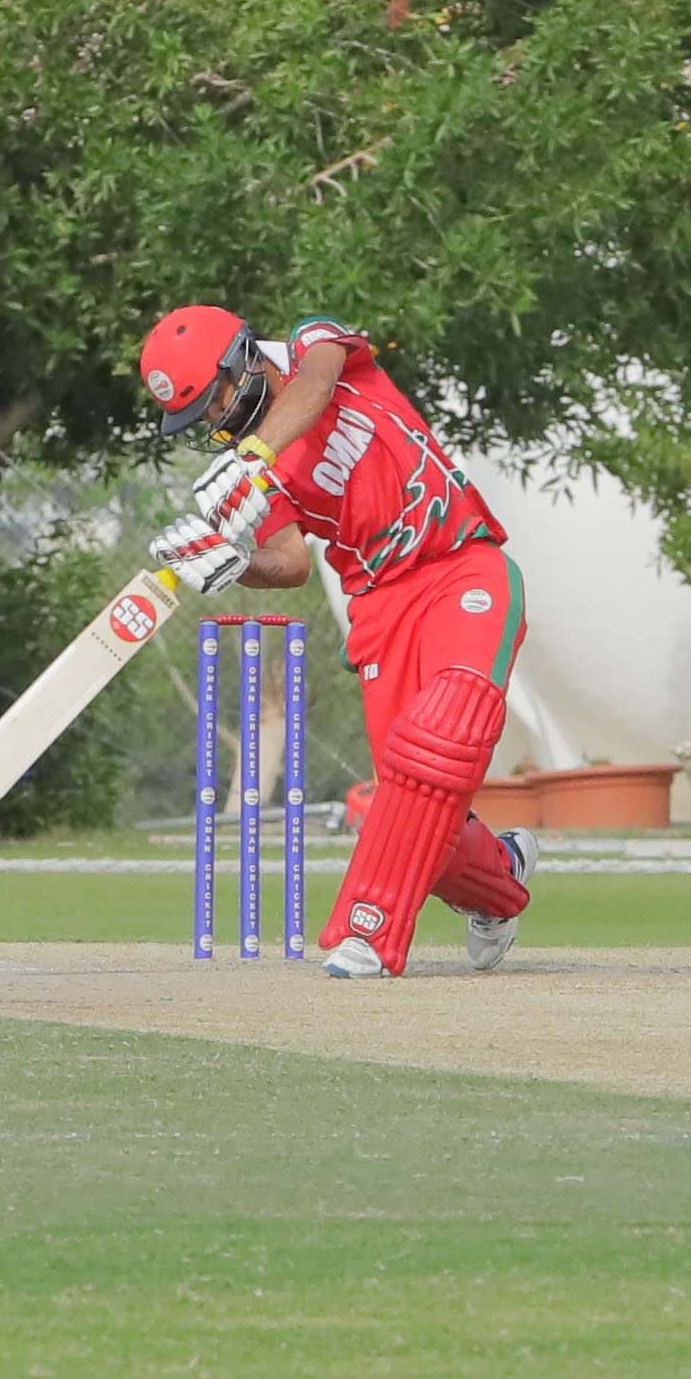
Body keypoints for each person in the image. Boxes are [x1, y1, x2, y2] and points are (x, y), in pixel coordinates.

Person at [138, 308, 535, 980]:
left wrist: (252, 460)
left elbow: (317, 384)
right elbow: (291, 563)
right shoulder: (259, 472)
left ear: (241, 360)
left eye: (213, 400)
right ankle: (502, 879)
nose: (214, 421)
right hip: (380, 606)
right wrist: (235, 563)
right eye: (200, 416)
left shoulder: (311, 344)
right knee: (409, 800)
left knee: (446, 728)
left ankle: (367, 929)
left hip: (459, 565)